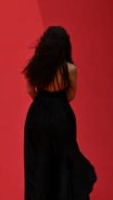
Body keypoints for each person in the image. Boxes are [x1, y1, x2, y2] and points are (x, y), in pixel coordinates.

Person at [23, 26, 96, 199]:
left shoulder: (35, 64)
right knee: (64, 158)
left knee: (37, 157)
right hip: (62, 114)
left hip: (38, 113)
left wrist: (42, 102)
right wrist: (57, 104)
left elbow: (30, 91)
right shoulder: (70, 69)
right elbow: (71, 94)